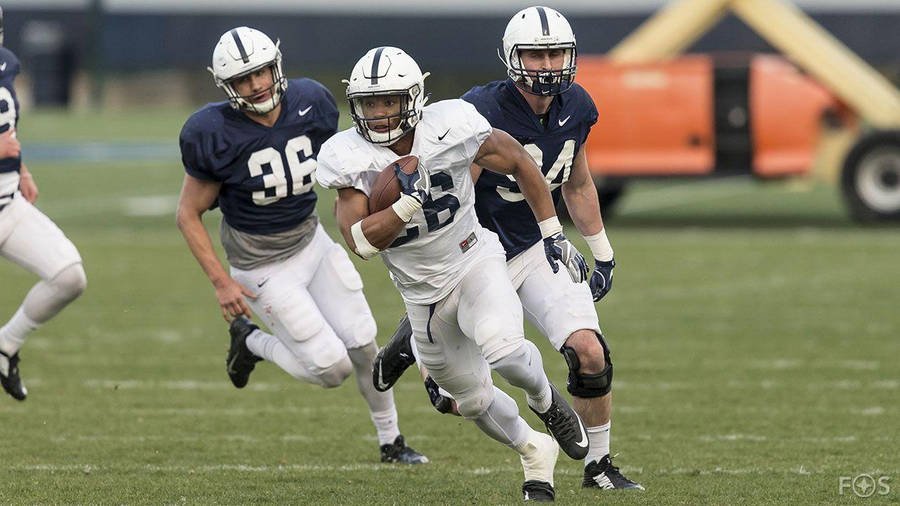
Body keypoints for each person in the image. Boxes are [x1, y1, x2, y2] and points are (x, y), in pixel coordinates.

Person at [373, 6, 643, 490]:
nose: (545, 65)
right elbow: (459, 195)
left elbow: (577, 183)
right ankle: (418, 337)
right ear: (511, 58)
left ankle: (597, 466)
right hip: (479, 253)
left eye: (554, 53)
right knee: (454, 396)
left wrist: (602, 251)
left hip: (541, 246)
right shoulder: (482, 110)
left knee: (590, 353)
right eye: (534, 55)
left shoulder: (577, 105)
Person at [317, 46, 590, 502]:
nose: (380, 113)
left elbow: (521, 161)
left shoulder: (451, 125)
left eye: (390, 101)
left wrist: (551, 233)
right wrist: (407, 202)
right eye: (369, 103)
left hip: (474, 261)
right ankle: (533, 450)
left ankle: (546, 402)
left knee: (504, 350)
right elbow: (361, 242)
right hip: (421, 297)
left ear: (415, 99)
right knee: (474, 403)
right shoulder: (348, 156)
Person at [175, 27, 426, 464]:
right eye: (242, 79)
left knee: (365, 343)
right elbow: (187, 213)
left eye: (260, 72)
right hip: (261, 266)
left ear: (277, 64)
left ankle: (392, 441)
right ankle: (250, 342)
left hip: (312, 242)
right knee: (332, 369)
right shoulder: (212, 132)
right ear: (227, 87)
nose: (255, 85)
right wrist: (221, 283)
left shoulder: (312, 102)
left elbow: (341, 167)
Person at [0, 7, 87, 401]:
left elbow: (6, 131)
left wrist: (21, 166)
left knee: (68, 276)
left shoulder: (5, 64)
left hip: (7, 202)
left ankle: (5, 346)